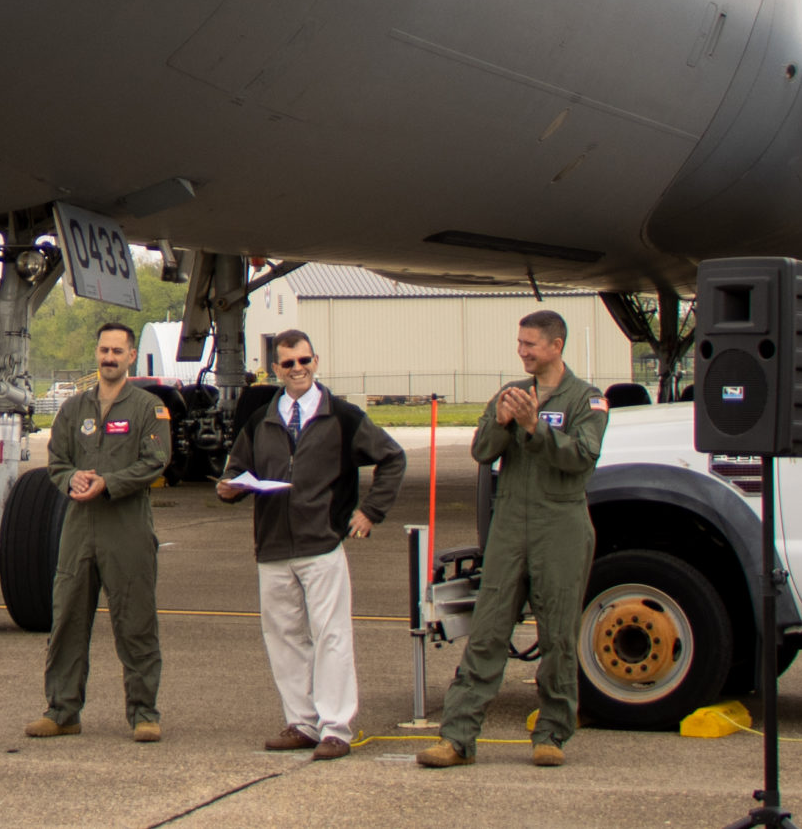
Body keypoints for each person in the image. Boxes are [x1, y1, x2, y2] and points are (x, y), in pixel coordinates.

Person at [419, 308, 609, 769]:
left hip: (560, 525)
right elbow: (481, 452)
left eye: (530, 344)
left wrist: (534, 428)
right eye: (519, 343)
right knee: (487, 631)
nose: (521, 351)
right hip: (510, 526)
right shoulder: (511, 394)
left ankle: (551, 734)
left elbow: (582, 457)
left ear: (556, 345)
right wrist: (502, 422)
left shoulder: (588, 398)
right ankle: (458, 737)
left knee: (559, 635)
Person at [217, 329, 407, 760]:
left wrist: (370, 512)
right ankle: (301, 722)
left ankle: (336, 728)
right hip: (272, 548)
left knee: (332, 636)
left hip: (321, 545)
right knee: (284, 638)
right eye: (288, 363)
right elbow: (236, 470)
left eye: (304, 361)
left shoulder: (342, 416)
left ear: (315, 361)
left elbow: (392, 457)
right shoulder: (260, 420)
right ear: (276, 369)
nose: (298, 369)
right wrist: (229, 489)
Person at [27, 322, 171, 743]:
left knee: (136, 622)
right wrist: (71, 479)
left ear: (130, 357)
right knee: (67, 619)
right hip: (78, 530)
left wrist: (109, 483)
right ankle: (62, 711)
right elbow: (57, 462)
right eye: (103, 350)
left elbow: (156, 461)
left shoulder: (148, 408)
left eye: (117, 351)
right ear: (97, 354)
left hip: (125, 528)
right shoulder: (74, 409)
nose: (109, 358)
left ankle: (144, 712)